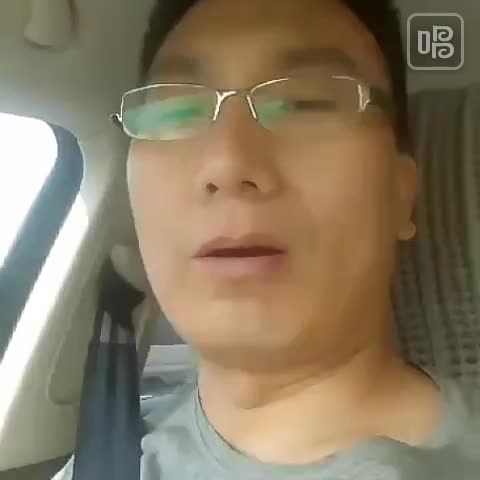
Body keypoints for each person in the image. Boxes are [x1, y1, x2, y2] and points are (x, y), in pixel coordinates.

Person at [54, 0, 480, 478]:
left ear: (401, 195)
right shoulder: (100, 460)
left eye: (306, 104)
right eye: (175, 111)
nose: (229, 163)